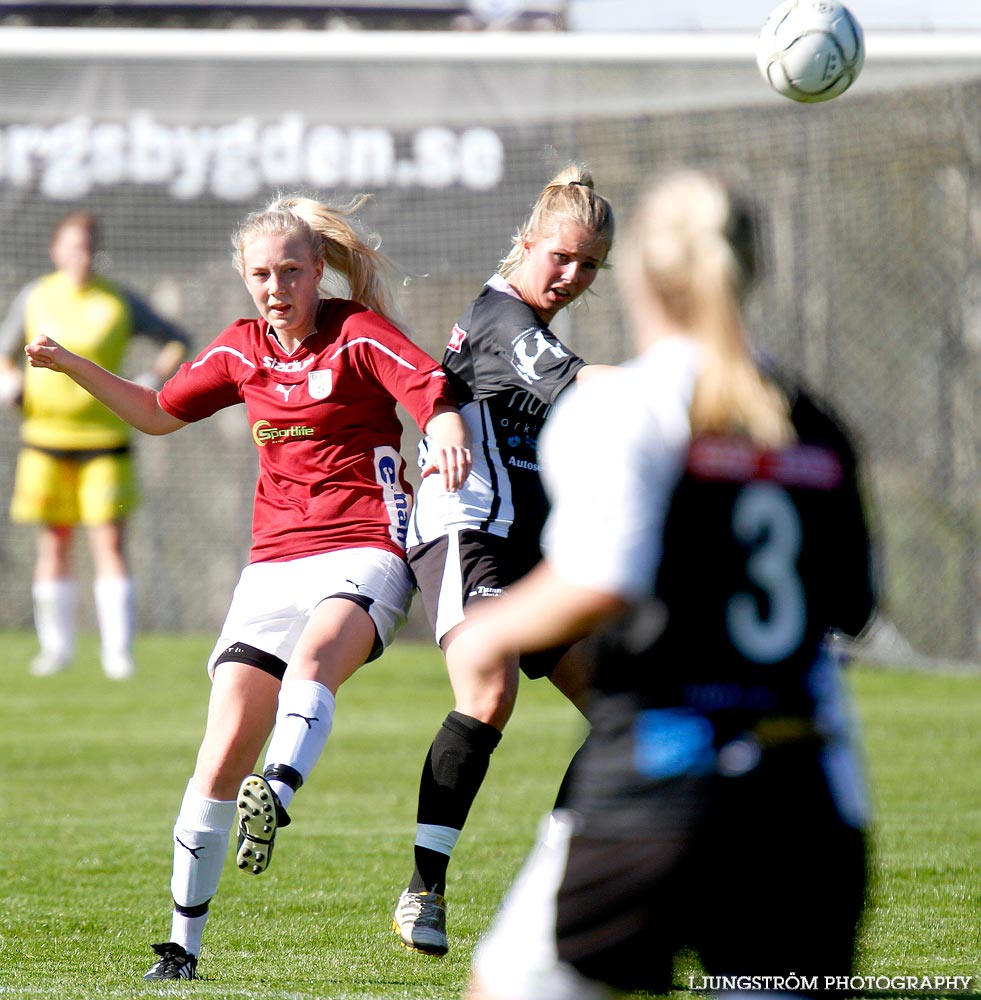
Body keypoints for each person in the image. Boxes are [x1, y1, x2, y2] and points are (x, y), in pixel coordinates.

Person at [24, 193, 472, 982]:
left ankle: (280, 787)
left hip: (363, 549)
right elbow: (159, 413)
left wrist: (442, 428)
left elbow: (428, 384)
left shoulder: (356, 332)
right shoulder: (239, 351)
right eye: (261, 273)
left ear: (317, 271)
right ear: (243, 276)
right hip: (271, 565)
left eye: (291, 271)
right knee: (222, 744)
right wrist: (68, 364)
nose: (276, 286)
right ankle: (180, 948)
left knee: (316, 659)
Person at [458, 170, 878, 999]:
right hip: (807, 802)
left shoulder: (628, 411)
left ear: (643, 276)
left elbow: (603, 577)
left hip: (660, 781)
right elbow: (853, 606)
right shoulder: (817, 421)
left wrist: (491, 626)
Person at [392, 164, 617, 958]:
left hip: (529, 547)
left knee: (627, 707)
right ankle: (424, 888)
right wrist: (689, 384)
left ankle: (560, 880)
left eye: (588, 265)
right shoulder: (501, 318)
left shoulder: (528, 321)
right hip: (467, 530)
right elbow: (587, 388)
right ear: (526, 243)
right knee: (486, 694)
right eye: (560, 256)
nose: (571, 275)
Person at [0, 210, 190, 680]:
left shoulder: (117, 299)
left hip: (105, 440)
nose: (79, 256)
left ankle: (117, 653)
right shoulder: (36, 296)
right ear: (55, 250)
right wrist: (10, 384)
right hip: (44, 440)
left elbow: (177, 341)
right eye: (71, 246)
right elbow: (6, 356)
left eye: (87, 247)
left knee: (109, 543)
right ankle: (56, 650)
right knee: (55, 542)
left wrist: (151, 378)